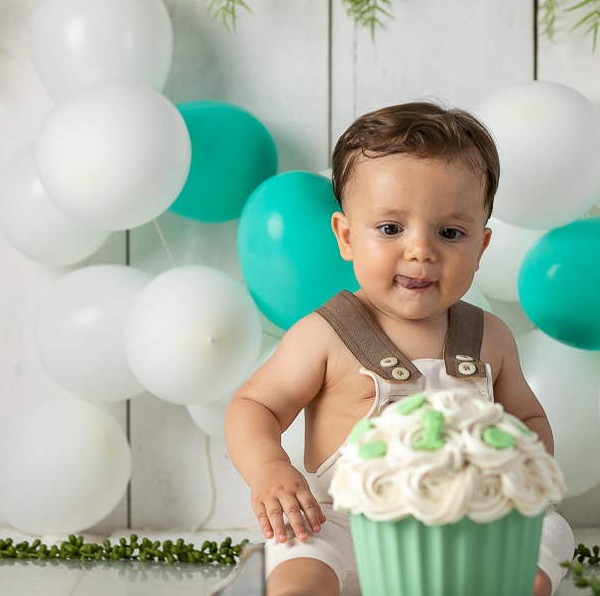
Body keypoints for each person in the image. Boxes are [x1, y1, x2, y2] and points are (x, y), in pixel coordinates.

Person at [224, 102, 574, 596]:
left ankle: (513, 583)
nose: (421, 251)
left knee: (552, 531)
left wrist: (519, 482)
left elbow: (529, 419)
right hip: (350, 526)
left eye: (450, 233)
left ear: (481, 247)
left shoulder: (489, 337)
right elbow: (254, 405)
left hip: (468, 525)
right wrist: (269, 468)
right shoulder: (326, 334)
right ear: (347, 237)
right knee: (302, 543)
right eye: (391, 228)